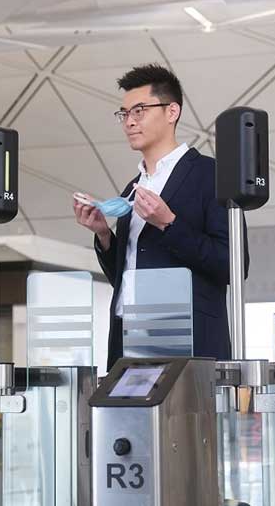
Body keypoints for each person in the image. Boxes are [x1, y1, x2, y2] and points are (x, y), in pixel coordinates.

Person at [72, 63, 248, 370]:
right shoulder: (133, 186)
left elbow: (233, 266)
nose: (129, 122)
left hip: (188, 343)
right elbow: (125, 278)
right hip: (129, 342)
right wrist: (103, 234)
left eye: (139, 111)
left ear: (172, 112)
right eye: (124, 114)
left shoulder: (212, 176)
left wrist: (169, 223)